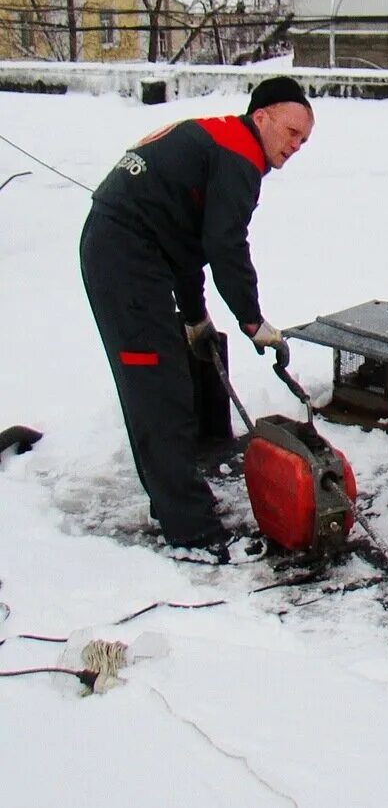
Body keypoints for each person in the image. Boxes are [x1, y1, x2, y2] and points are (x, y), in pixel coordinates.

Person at [80, 76, 314, 563]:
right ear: (262, 116)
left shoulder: (215, 139)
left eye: (303, 140)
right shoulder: (238, 155)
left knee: (167, 378)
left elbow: (186, 238)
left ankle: (176, 501)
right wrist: (253, 321)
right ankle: (193, 533)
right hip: (124, 255)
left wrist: (195, 316)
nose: (295, 146)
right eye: (292, 132)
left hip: (129, 247)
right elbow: (225, 245)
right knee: (158, 389)